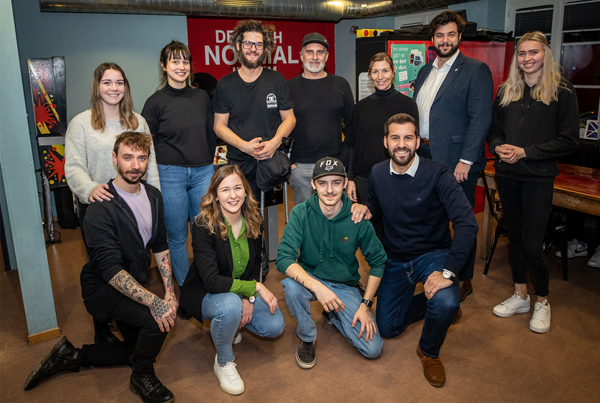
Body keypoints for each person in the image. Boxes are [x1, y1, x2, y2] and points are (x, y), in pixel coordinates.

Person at [24, 132, 178, 403]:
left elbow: (161, 244)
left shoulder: (153, 195)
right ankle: (141, 376)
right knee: (157, 322)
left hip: (133, 283)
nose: (135, 165)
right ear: (114, 159)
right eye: (128, 157)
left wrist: (170, 291)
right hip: (103, 289)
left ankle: (71, 356)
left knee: (140, 348)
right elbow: (110, 271)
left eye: (142, 158)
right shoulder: (100, 206)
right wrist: (155, 302)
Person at [365, 113, 478, 387]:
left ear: (417, 141)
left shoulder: (438, 173)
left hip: (433, 254)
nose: (401, 144)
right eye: (395, 138)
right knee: (388, 328)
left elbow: (467, 223)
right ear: (385, 142)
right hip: (396, 257)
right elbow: (375, 212)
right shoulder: (377, 172)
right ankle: (439, 310)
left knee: (446, 299)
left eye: (408, 137)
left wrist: (448, 272)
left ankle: (429, 351)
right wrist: (363, 210)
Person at [487, 31, 579, 334]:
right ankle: (521, 296)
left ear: (545, 55)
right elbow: (494, 131)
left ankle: (542, 301)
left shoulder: (562, 91)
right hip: (507, 174)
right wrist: (498, 147)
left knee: (532, 243)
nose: (527, 58)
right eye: (522, 53)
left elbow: (569, 141)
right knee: (514, 237)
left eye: (533, 52)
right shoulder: (506, 90)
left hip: (538, 177)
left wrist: (527, 152)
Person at [65, 62, 160, 343]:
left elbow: (151, 164)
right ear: (97, 87)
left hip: (135, 204)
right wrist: (90, 188)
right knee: (105, 265)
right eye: (107, 82)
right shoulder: (81, 124)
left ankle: (129, 314)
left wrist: (155, 199)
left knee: (135, 260)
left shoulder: (138, 122)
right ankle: (102, 326)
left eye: (119, 83)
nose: (113, 88)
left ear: (125, 87)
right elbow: (73, 167)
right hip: (99, 206)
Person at [179, 165, 284, 395]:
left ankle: (232, 324)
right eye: (225, 189)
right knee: (229, 306)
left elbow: (256, 263)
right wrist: (254, 288)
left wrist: (249, 298)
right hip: (206, 292)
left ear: (246, 191)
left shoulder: (254, 218)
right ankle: (224, 361)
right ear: (215, 195)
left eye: (238, 188)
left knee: (275, 326)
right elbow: (211, 281)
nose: (233, 195)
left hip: (239, 290)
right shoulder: (203, 224)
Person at [413, 10, 494, 302]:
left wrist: (467, 160)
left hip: (458, 160)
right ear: (432, 39)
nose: (445, 40)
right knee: (432, 218)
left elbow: (480, 118)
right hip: (424, 155)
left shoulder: (475, 70)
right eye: (439, 35)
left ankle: (463, 278)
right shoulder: (424, 71)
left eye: (450, 34)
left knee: (462, 221)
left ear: (459, 37)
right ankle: (435, 268)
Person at [277, 157, 387, 369]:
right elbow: (284, 258)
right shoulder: (301, 213)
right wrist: (318, 288)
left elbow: (378, 262)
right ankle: (307, 337)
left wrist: (365, 305)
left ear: (345, 183)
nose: (329, 190)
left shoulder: (357, 217)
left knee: (373, 349)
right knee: (291, 286)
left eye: (336, 183)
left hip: (344, 284)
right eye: (322, 183)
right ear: (313, 185)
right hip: (311, 278)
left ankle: (333, 314)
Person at [142, 40, 216, 288]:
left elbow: (210, 134)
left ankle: (206, 282)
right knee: (177, 236)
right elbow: (147, 144)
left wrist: (206, 163)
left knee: (203, 232)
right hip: (169, 174)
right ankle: (186, 287)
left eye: (185, 61)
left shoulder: (202, 97)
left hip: (202, 172)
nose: (181, 66)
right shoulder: (155, 102)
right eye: (175, 61)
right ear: (164, 66)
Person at [213, 19, 296, 199]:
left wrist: (275, 142)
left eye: (259, 44)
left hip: (269, 162)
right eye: (248, 43)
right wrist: (244, 146)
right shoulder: (225, 84)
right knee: (238, 211)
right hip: (237, 164)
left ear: (265, 48)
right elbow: (219, 125)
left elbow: (289, 118)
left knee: (264, 214)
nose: (253, 49)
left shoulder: (276, 80)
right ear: (238, 46)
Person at [287, 32, 354, 204]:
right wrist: (290, 163)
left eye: (320, 52)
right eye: (310, 52)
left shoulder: (341, 85)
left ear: (327, 56)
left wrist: (343, 160)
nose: (315, 57)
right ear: (301, 56)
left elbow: (352, 127)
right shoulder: (288, 87)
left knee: (334, 215)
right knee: (306, 217)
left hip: (334, 165)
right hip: (301, 168)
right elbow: (278, 126)